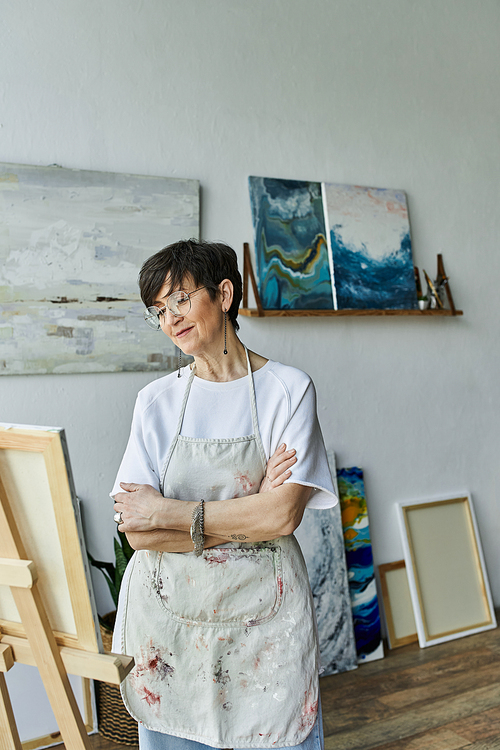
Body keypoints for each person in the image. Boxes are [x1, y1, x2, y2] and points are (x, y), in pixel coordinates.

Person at [111, 239, 338, 750]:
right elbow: (140, 534)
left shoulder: (289, 390)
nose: (170, 320)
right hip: (171, 632)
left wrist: (169, 511)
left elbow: (281, 517)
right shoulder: (155, 403)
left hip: (266, 625)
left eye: (181, 301)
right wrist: (247, 510)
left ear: (225, 294)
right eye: (159, 311)